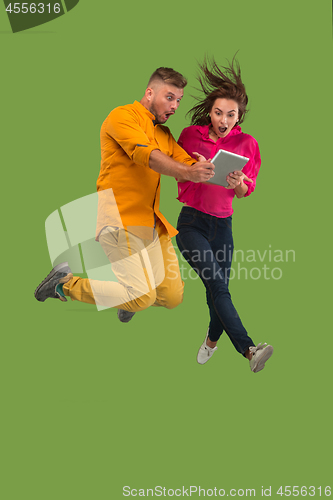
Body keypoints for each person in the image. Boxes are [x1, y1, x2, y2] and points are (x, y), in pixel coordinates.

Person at [34, 68, 215, 320]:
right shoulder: (122, 116)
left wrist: (218, 172)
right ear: (149, 93)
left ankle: (125, 296)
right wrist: (189, 171)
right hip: (120, 220)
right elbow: (146, 156)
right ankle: (63, 284)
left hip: (152, 224)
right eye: (169, 97)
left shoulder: (163, 134)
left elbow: (185, 163)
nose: (174, 106)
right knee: (142, 296)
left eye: (178, 100)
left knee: (172, 297)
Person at [175, 57, 273, 372]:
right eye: (218, 113)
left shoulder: (248, 145)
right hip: (192, 223)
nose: (223, 119)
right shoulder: (190, 136)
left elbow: (246, 192)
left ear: (238, 116)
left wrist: (240, 183)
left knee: (218, 290)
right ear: (210, 112)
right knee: (218, 287)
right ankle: (249, 350)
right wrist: (193, 170)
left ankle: (211, 341)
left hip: (224, 226)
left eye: (230, 114)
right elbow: (174, 170)